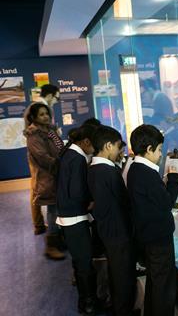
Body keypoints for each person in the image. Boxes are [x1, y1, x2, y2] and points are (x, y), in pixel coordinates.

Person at [127, 125, 178, 316]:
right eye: (159, 150)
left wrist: (173, 183)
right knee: (164, 285)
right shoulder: (146, 173)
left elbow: (153, 198)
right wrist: (173, 179)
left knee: (155, 281)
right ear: (149, 149)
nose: (161, 155)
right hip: (158, 238)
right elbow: (165, 203)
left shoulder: (135, 168)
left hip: (147, 235)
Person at [87, 125, 137, 316]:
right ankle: (123, 310)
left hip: (107, 229)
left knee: (117, 272)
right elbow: (123, 201)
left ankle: (119, 307)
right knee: (123, 274)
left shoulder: (94, 168)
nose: (118, 151)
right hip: (118, 232)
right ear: (108, 146)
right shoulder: (107, 172)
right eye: (117, 147)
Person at [56, 125, 97, 315]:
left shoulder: (67, 153)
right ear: (86, 142)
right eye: (93, 146)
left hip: (66, 215)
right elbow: (77, 191)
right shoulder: (78, 158)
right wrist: (91, 200)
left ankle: (86, 300)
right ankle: (88, 302)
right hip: (74, 217)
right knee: (84, 263)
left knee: (80, 261)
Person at [24, 103, 65, 259]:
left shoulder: (50, 131)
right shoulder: (34, 135)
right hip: (47, 178)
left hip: (57, 175)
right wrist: (61, 164)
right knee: (53, 211)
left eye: (46, 113)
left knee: (58, 209)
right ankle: (51, 245)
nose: (45, 116)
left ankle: (58, 240)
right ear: (33, 117)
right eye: (41, 114)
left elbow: (59, 148)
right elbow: (42, 158)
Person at [24, 84, 60, 235]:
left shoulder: (49, 127)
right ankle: (39, 225)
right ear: (51, 95)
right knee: (39, 189)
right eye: (57, 97)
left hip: (52, 163)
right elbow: (42, 155)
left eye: (46, 114)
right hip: (44, 162)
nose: (57, 100)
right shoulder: (35, 128)